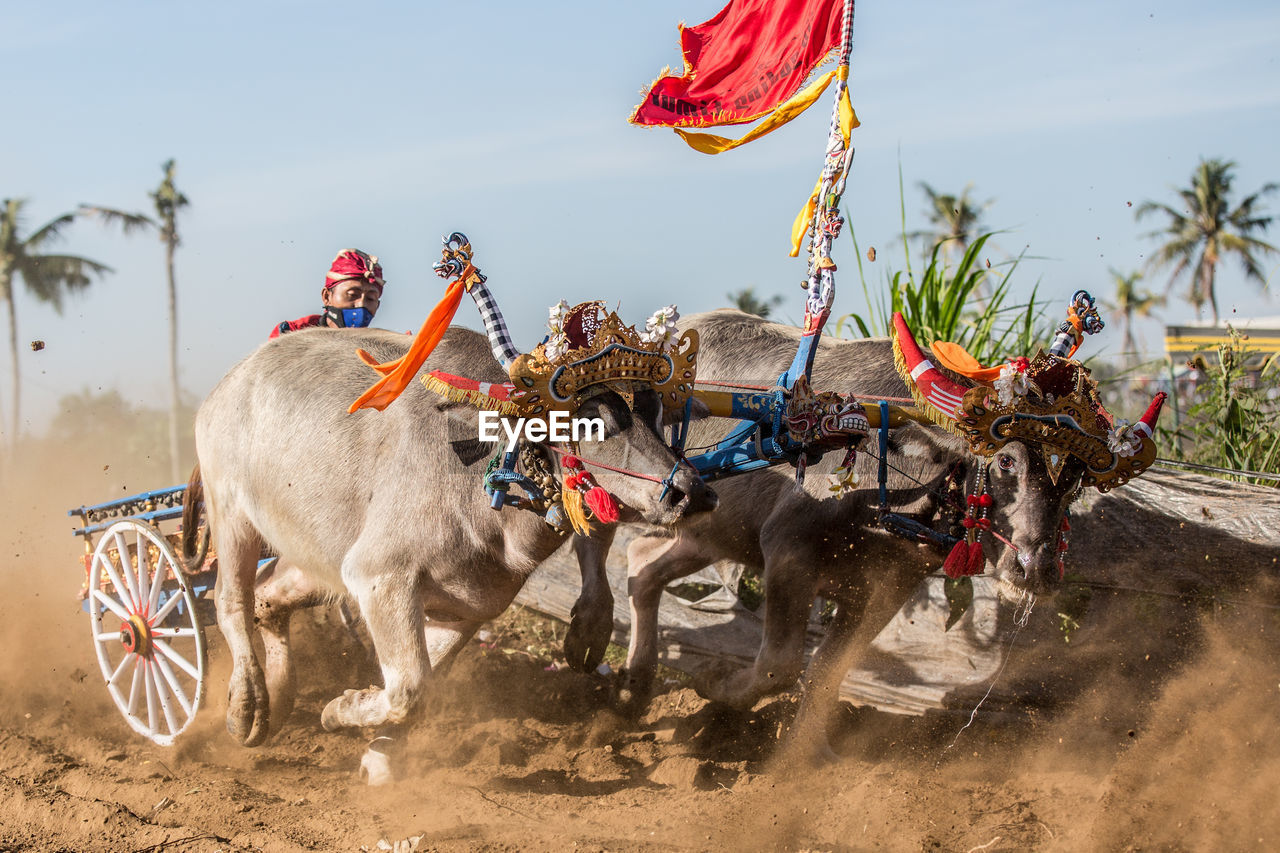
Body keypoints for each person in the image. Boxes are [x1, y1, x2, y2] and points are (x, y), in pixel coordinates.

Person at [270, 248, 384, 338]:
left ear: (378, 306)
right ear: (326, 296)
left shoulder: (383, 350)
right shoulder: (290, 336)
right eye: (352, 295)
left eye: (370, 298)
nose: (361, 305)